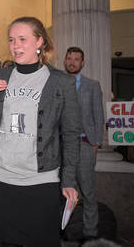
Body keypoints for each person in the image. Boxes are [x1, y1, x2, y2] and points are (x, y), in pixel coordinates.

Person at [0, 16, 80, 247]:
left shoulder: (60, 82)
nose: (15, 46)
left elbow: (72, 135)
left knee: (43, 239)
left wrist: (69, 180)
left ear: (39, 42)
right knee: (3, 240)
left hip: (40, 179)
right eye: (12, 40)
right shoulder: (0, 76)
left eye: (23, 39)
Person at [64, 46, 104, 243]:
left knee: (87, 192)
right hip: (62, 146)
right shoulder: (58, 83)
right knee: (62, 190)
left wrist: (95, 142)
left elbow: (99, 114)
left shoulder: (92, 85)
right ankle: (62, 229)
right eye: (69, 58)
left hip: (84, 145)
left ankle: (90, 234)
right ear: (65, 61)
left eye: (76, 59)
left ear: (82, 63)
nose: (72, 62)